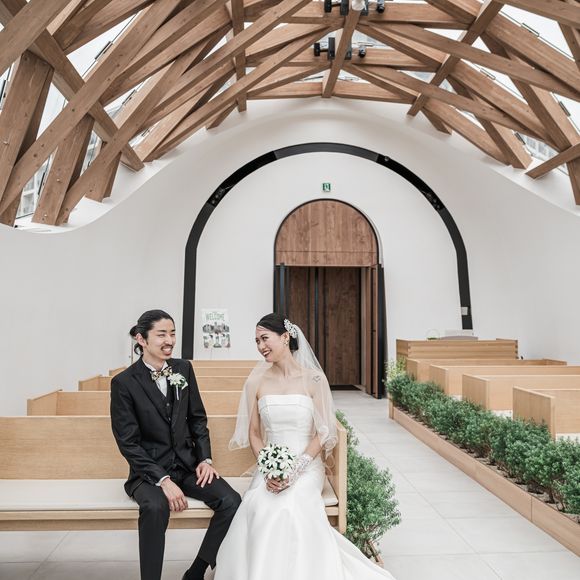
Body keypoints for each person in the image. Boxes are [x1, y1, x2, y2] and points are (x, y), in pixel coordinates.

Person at [213, 313, 397, 579]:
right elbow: (254, 433)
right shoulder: (256, 382)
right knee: (260, 504)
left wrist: (295, 470)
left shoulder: (314, 380)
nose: (261, 346)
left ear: (285, 337)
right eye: (256, 341)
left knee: (289, 505)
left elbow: (323, 432)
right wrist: (268, 468)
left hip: (307, 465)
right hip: (270, 466)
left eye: (265, 338)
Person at [110, 309, 241, 580]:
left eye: (172, 333)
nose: (169, 340)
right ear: (141, 339)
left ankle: (196, 572)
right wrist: (162, 480)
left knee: (231, 501)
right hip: (148, 473)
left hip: (187, 465)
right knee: (155, 507)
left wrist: (204, 459)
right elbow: (128, 443)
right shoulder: (124, 383)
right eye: (161, 334)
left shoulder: (183, 369)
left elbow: (197, 418)